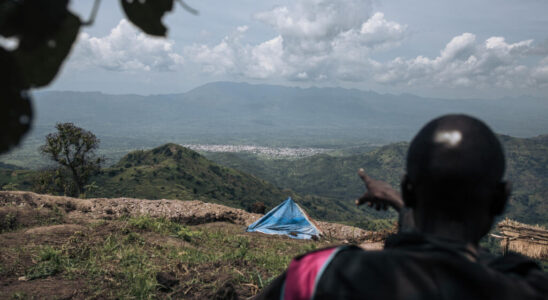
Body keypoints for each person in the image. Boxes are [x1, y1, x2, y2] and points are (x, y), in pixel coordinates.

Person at [255, 114, 548, 300]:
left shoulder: (322, 275)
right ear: (501, 199)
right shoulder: (528, 287)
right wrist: (401, 205)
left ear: (409, 188)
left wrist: (403, 203)